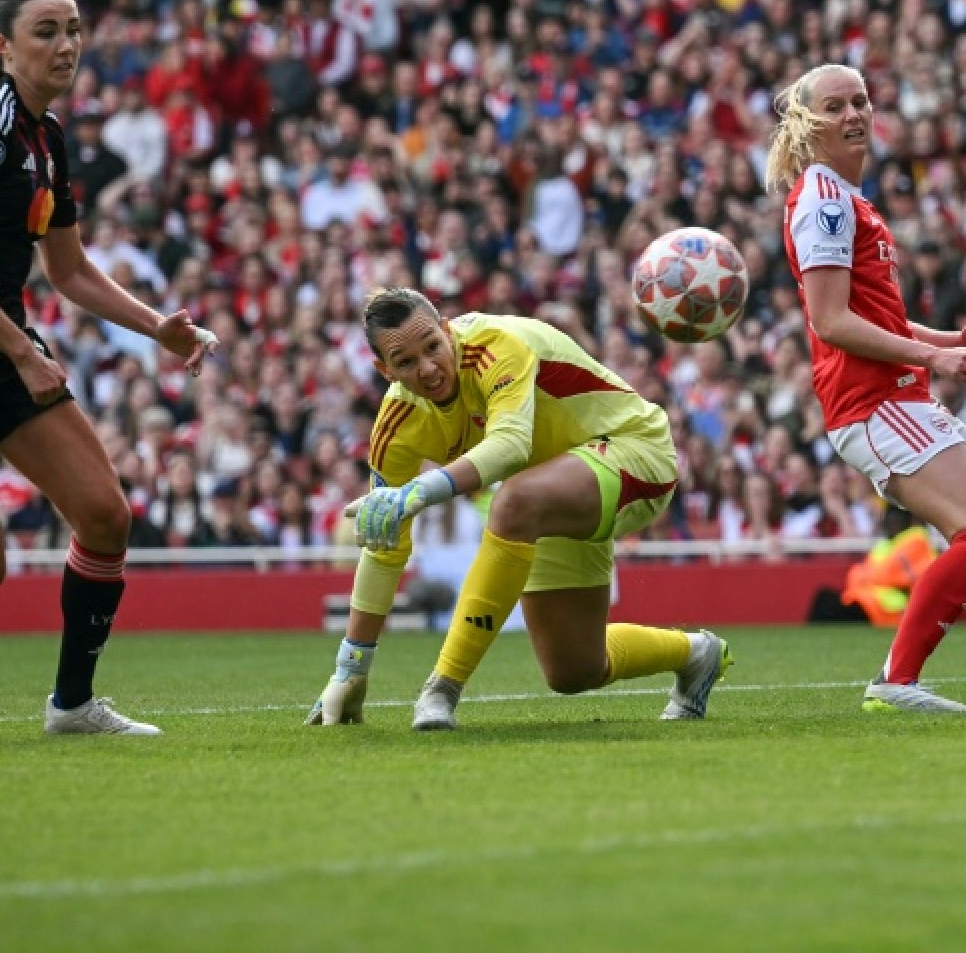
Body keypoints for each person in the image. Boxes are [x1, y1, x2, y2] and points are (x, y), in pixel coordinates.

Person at [0, 0, 218, 735]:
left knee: (103, 514)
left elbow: (68, 270)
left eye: (72, 29)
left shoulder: (47, 134)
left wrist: (156, 324)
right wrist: (25, 355)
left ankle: (72, 707)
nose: (66, 45)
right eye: (46, 31)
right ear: (1, 45)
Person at [305, 287, 733, 729]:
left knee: (511, 501)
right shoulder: (397, 424)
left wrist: (419, 491)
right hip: (553, 488)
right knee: (573, 670)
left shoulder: (495, 345)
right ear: (383, 370)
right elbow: (385, 545)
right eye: (406, 362)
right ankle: (696, 654)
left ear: (447, 331)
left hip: (634, 451)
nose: (429, 368)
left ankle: (441, 691)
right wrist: (351, 668)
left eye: (433, 346)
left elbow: (510, 446)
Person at [765, 62, 966, 713]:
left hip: (895, 395)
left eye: (861, 100)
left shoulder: (846, 197)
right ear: (806, 125)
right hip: (874, 401)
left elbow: (878, 317)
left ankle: (898, 681)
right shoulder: (824, 201)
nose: (853, 113)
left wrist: (948, 347)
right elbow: (830, 321)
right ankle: (896, 682)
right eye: (834, 106)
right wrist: (931, 360)